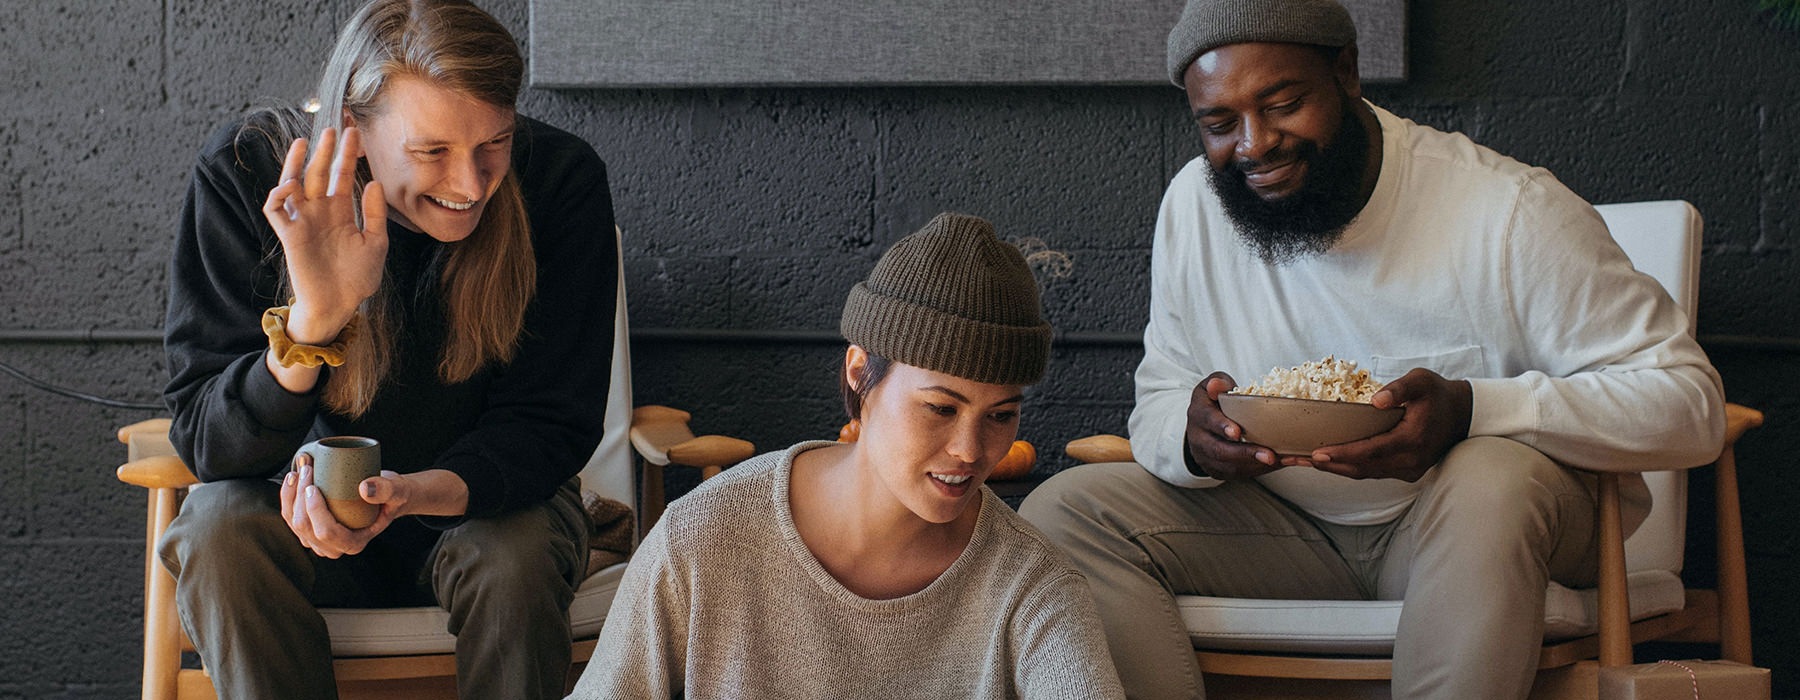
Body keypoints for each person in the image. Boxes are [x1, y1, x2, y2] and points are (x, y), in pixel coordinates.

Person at [1019, 0, 1727, 698]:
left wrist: (1472, 410)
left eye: (1283, 103)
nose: (1254, 143)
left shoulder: (1507, 211)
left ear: (1348, 73)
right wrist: (1193, 437)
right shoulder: (1195, 207)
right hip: (1286, 533)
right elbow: (1158, 402)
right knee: (1064, 514)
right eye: (1219, 123)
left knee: (1490, 473)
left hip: (1482, 529)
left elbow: (1689, 402)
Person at [156, 1, 617, 698]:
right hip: (292, 521)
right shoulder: (247, 174)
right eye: (433, 151)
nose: (471, 185)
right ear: (353, 133)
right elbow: (206, 443)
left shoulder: (558, 181)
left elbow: (550, 422)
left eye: (495, 142)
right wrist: (314, 321)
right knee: (218, 533)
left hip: (480, 511)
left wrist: (415, 495)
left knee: (514, 554)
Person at [569, 213, 1125, 699]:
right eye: (939, 408)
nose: (970, 451)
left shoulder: (1033, 584)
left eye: (1001, 415)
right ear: (860, 373)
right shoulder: (706, 538)